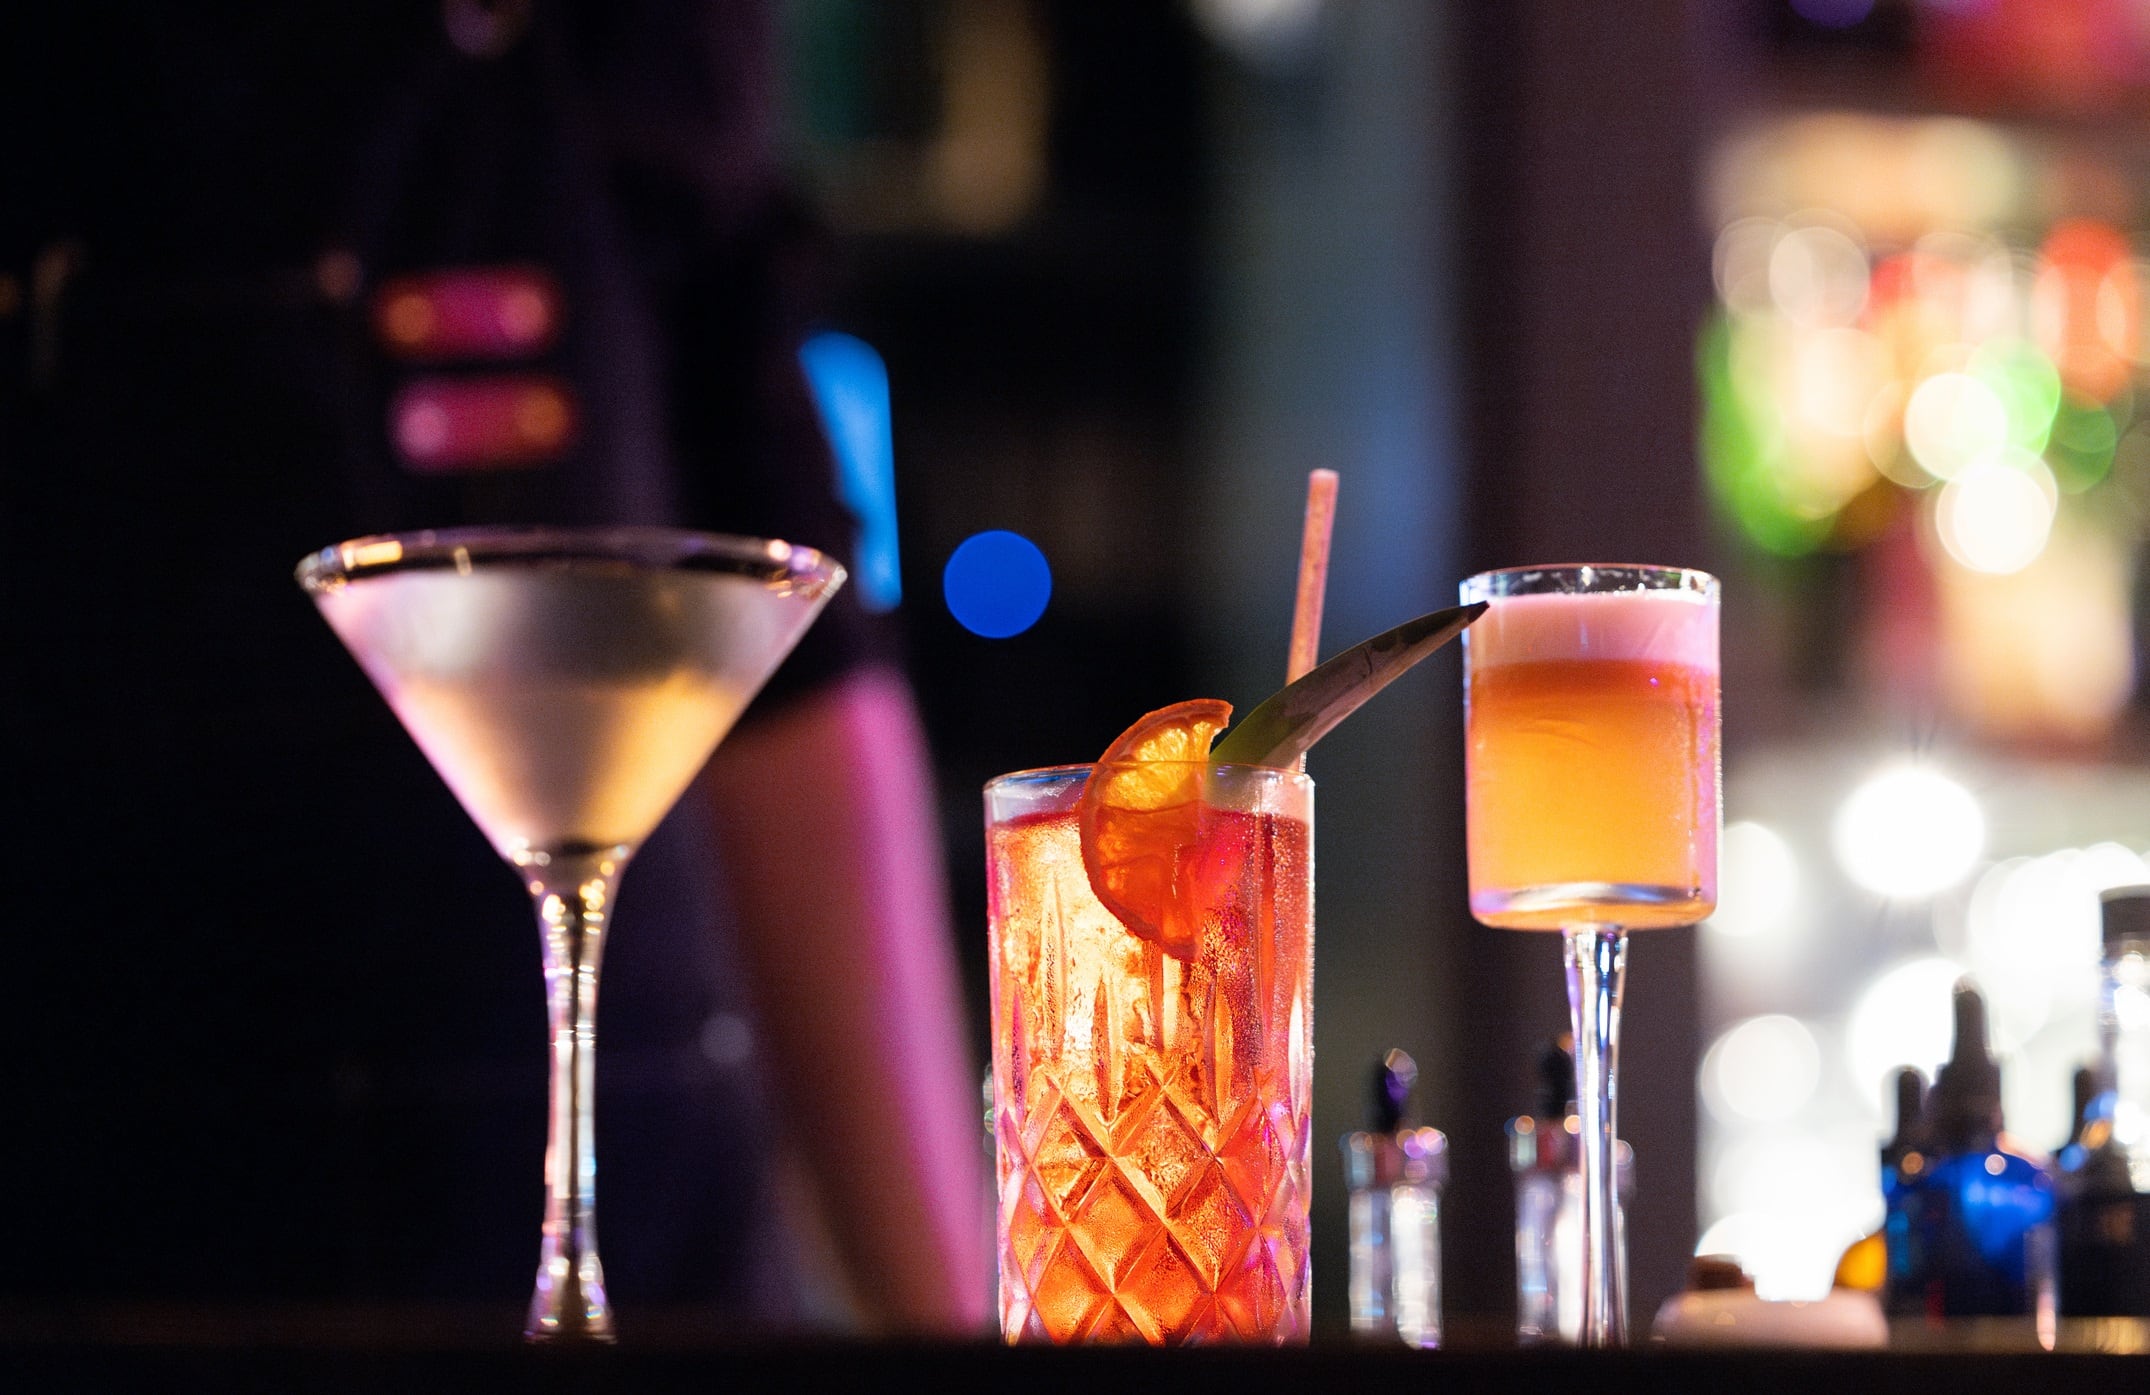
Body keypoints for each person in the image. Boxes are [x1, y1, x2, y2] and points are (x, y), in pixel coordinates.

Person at [2, 0, 987, 1333]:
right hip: (125, 1210)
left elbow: (795, 622)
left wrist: (955, 1328)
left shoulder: (660, 52)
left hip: (659, 1204)